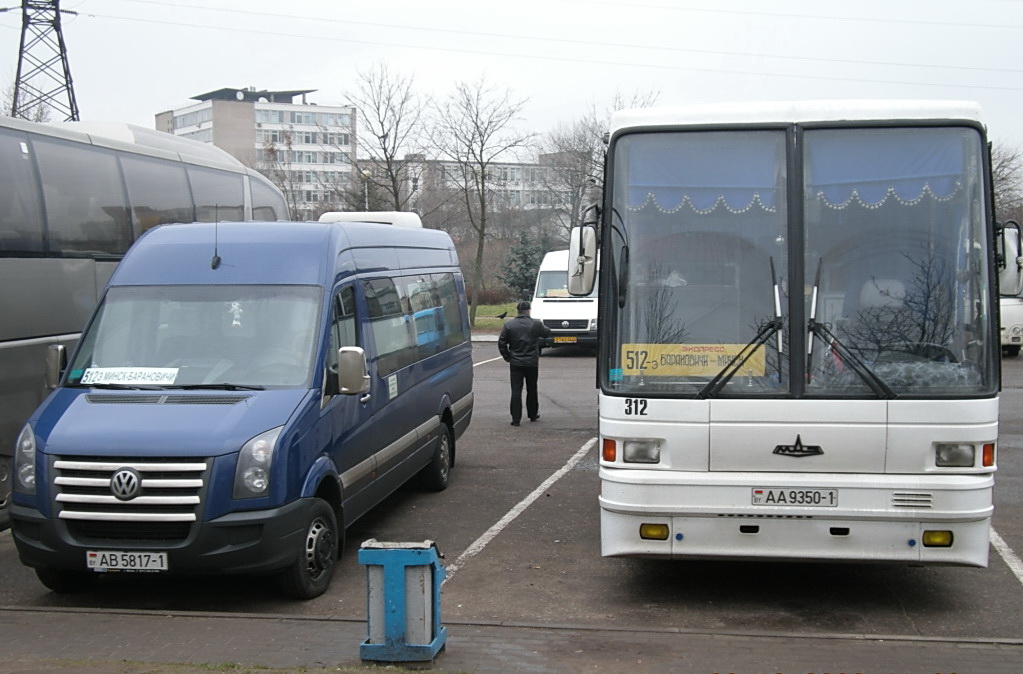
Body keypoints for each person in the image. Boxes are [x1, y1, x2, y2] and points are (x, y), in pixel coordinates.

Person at [498, 300, 552, 426]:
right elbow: (547, 333)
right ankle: (533, 414)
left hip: (516, 362)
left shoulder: (509, 325)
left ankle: (515, 418)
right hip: (531, 361)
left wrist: (507, 356)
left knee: (516, 390)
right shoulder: (536, 324)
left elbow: (501, 343)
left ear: (518, 311)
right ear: (528, 310)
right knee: (532, 388)